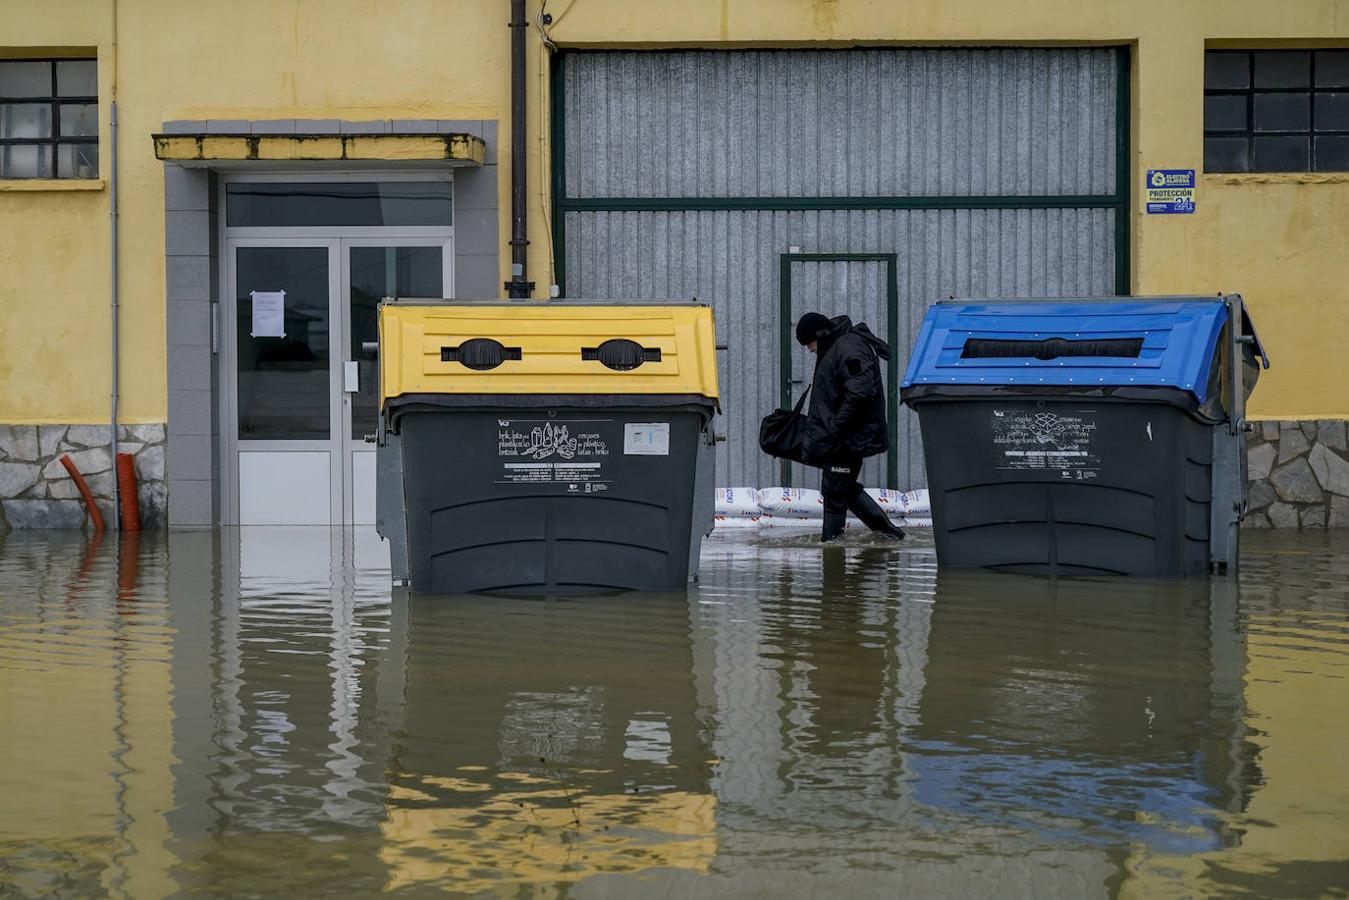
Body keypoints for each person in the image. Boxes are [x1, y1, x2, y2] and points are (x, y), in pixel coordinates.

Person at [795, 311, 906, 543]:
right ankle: (889, 536)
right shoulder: (838, 347)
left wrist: (836, 427)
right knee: (839, 487)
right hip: (843, 436)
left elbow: (859, 392)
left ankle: (832, 549)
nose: (810, 350)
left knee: (836, 489)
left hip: (847, 437)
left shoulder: (849, 347)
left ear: (820, 334)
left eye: (809, 343)